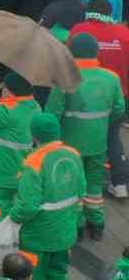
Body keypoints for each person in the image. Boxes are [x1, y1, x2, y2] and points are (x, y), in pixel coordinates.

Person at [43, 32, 123, 241]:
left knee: (72, 185)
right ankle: (96, 225)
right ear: (96, 52)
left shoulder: (64, 79)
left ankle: (76, 225)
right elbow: (118, 109)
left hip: (70, 145)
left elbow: (51, 116)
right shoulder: (111, 78)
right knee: (94, 186)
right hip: (98, 143)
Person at [7, 112, 84, 280]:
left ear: (34, 134)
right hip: (65, 234)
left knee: (34, 274)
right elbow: (81, 191)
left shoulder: (34, 163)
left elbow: (28, 206)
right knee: (58, 273)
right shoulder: (73, 154)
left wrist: (12, 217)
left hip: (38, 237)